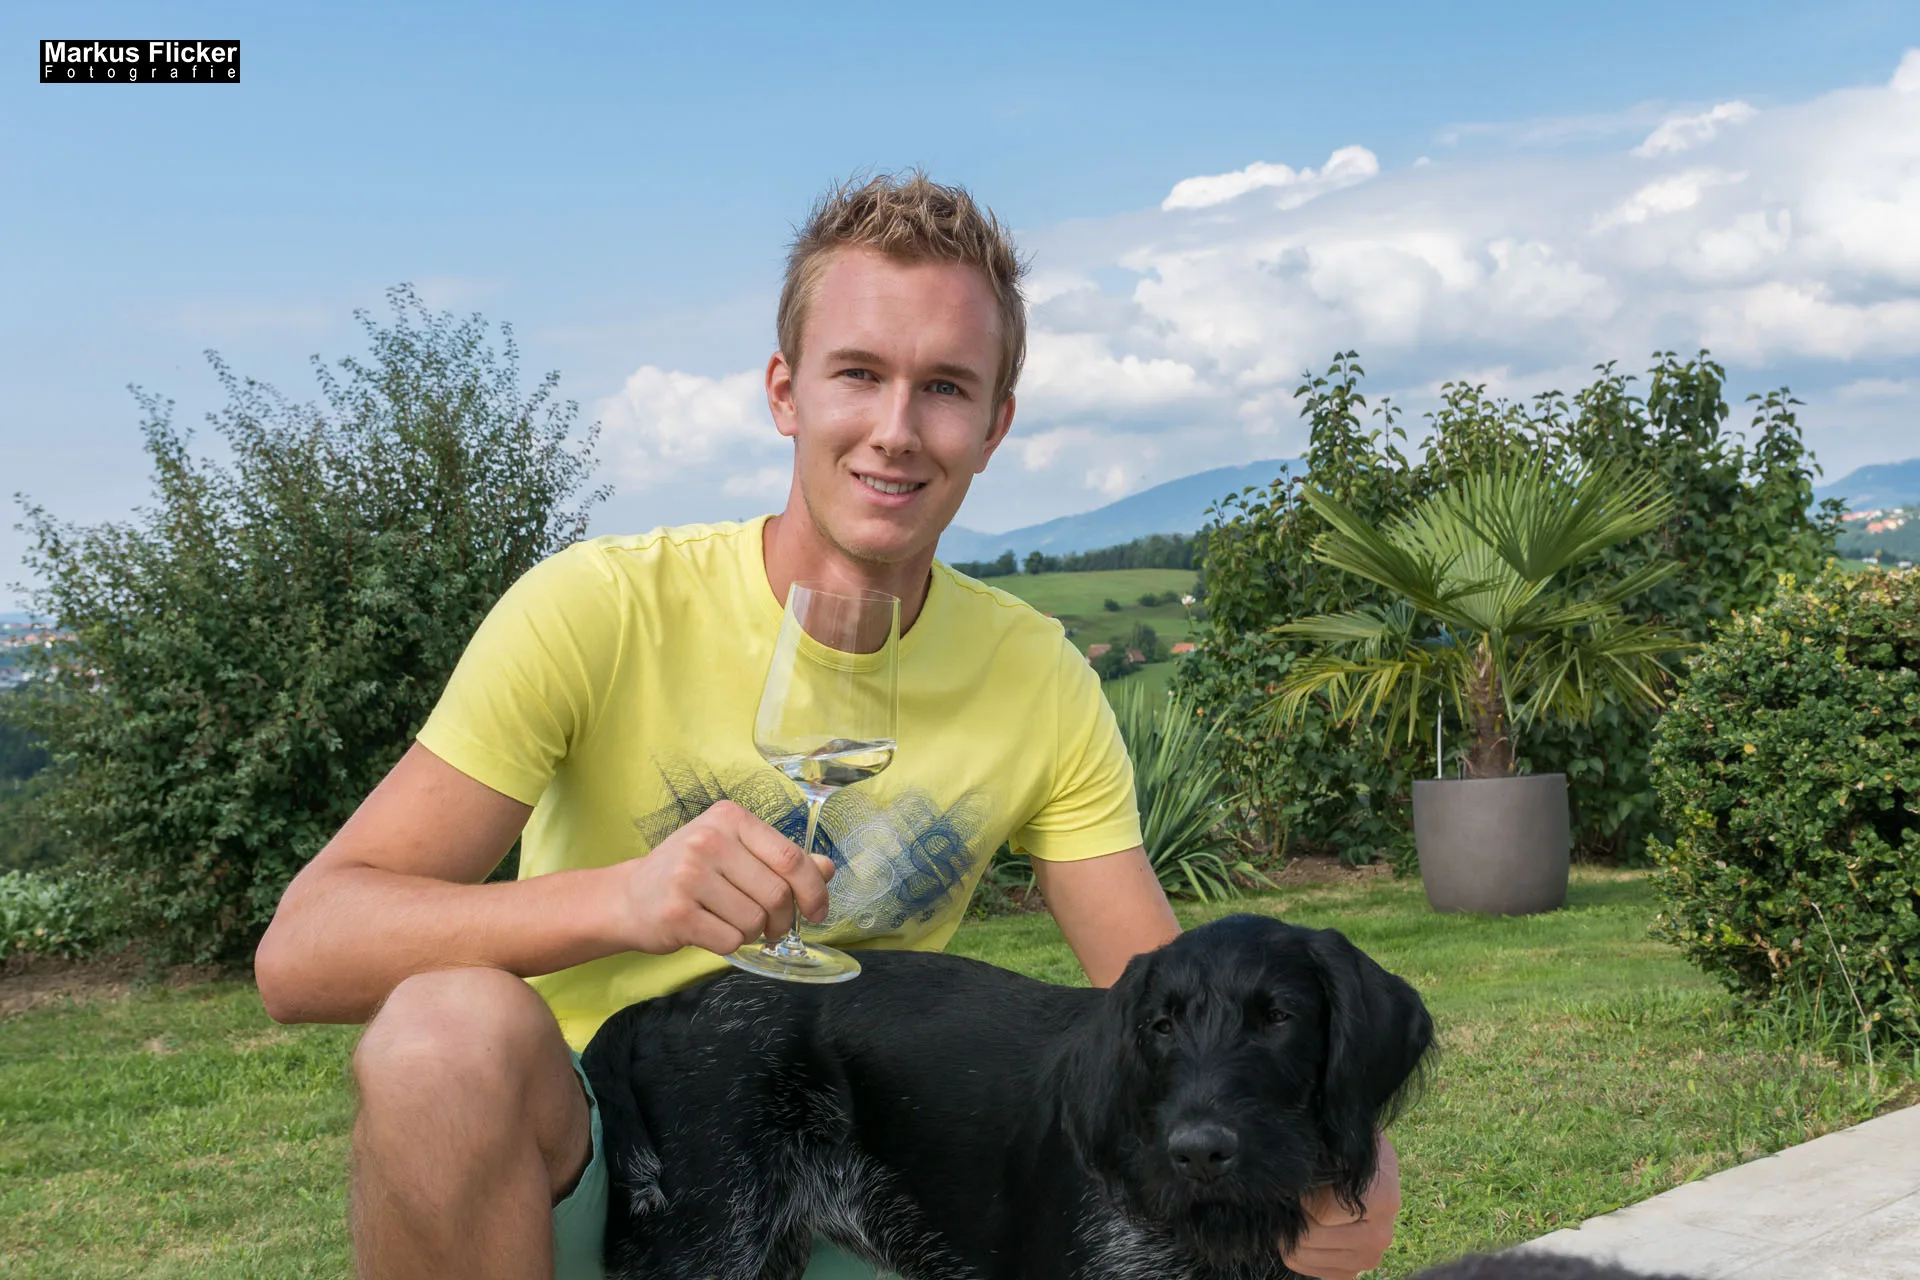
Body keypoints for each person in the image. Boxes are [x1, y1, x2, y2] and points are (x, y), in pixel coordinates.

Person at [254, 171, 1401, 1280]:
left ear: (995, 425)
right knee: (440, 1037)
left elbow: (1160, 995)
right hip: (585, 1143)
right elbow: (304, 949)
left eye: (944, 386)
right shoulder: (597, 608)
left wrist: (1337, 1134)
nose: (896, 429)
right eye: (859, 372)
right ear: (785, 391)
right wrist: (624, 898)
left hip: (874, 1161)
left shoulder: (1039, 676)